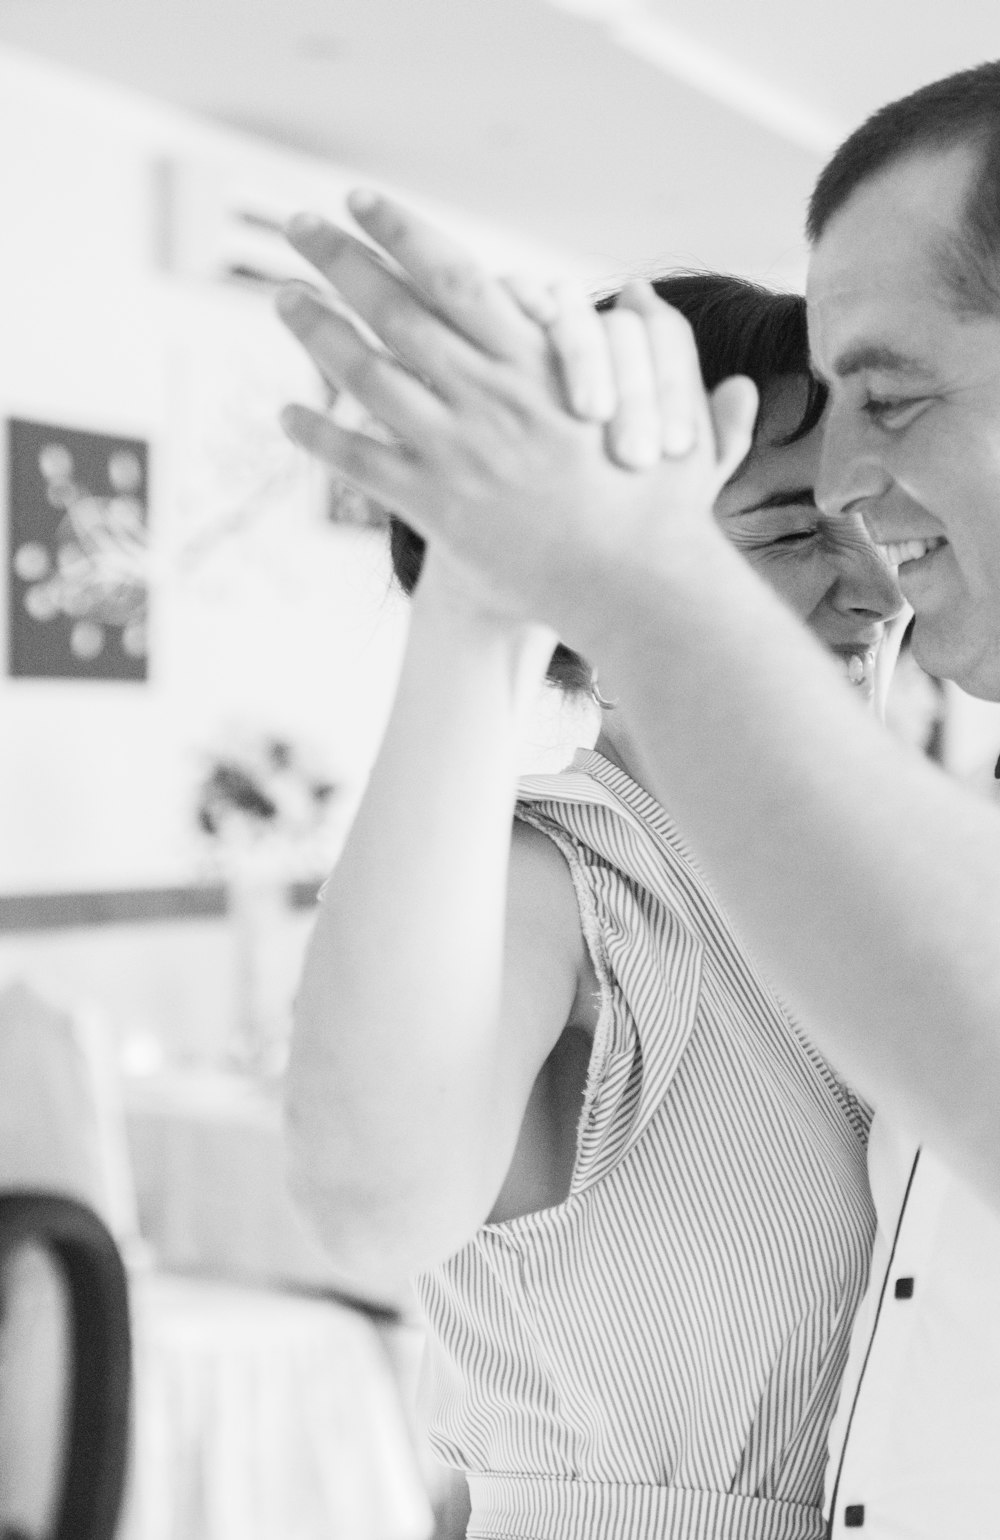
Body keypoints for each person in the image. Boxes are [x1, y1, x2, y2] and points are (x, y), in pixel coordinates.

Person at [276, 59, 1000, 1538]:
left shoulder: (915, 856)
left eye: (875, 468)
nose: (871, 577)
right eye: (796, 520)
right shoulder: (570, 876)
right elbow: (371, 1202)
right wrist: (489, 589)